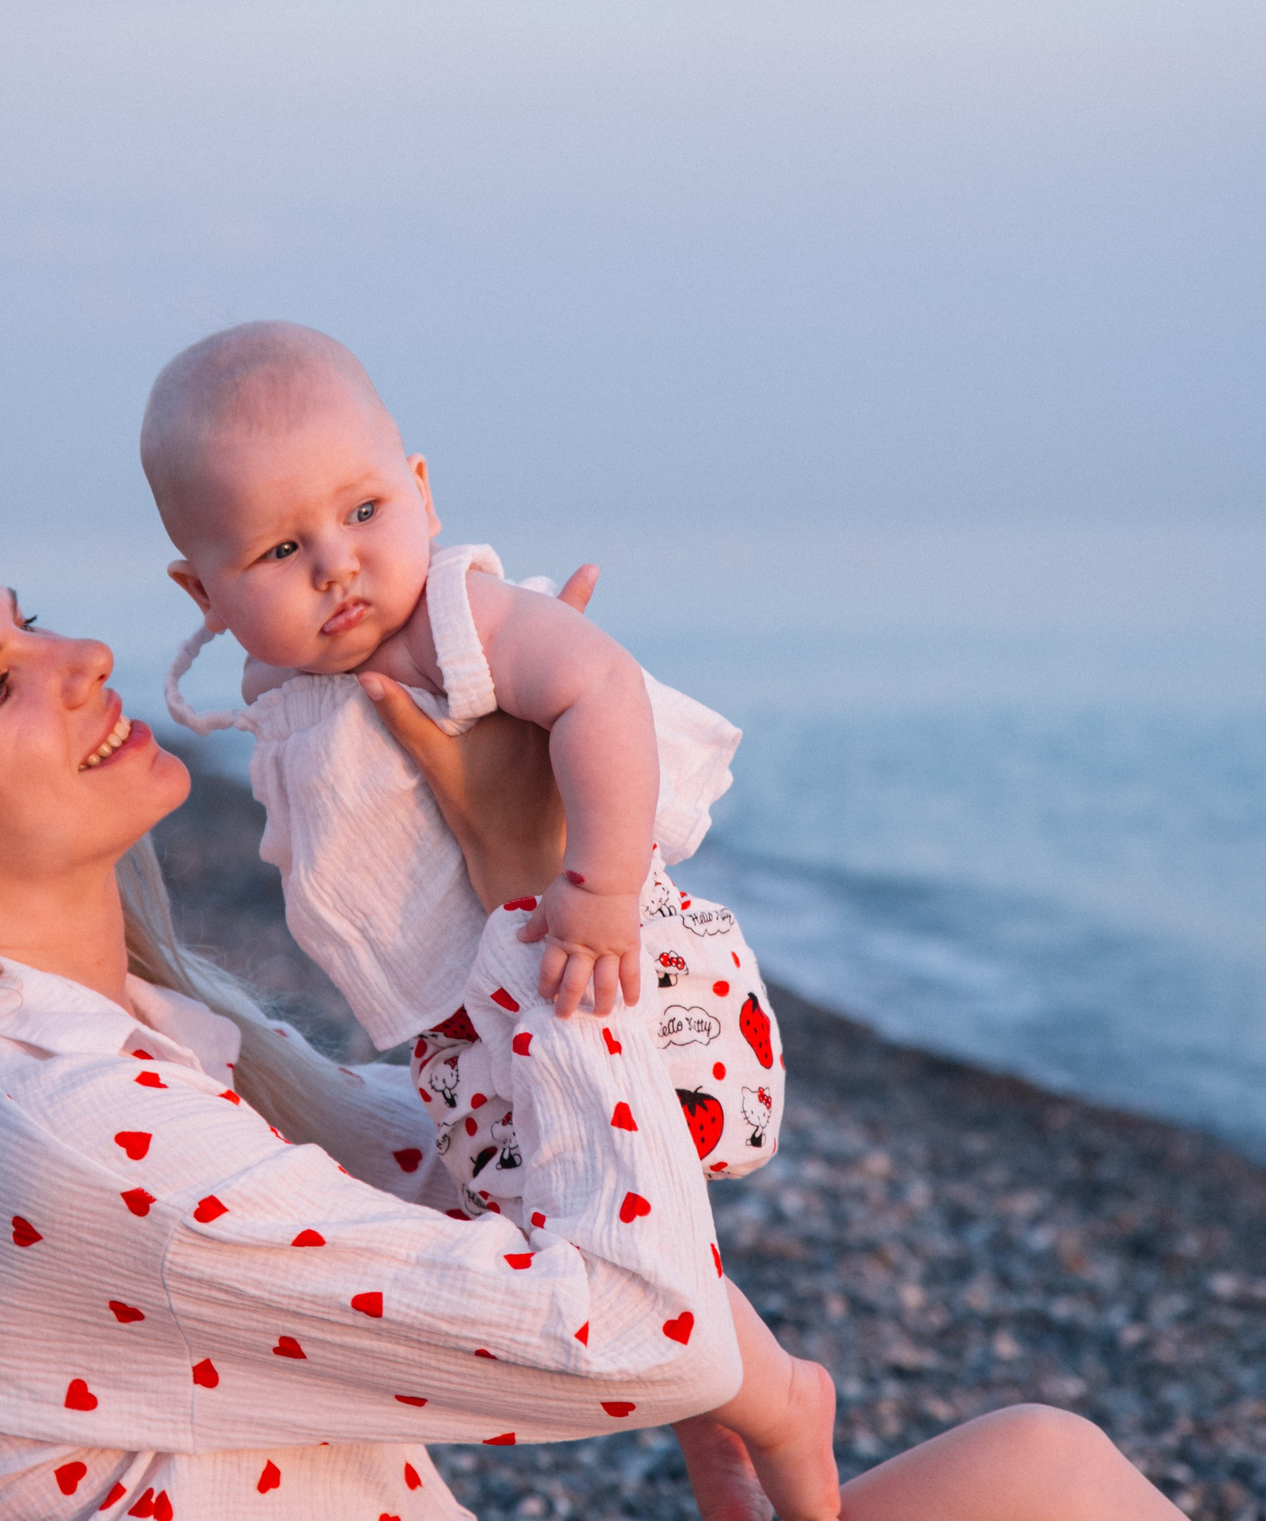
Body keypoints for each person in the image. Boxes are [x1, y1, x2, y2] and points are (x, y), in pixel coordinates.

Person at [0, 535, 1185, 1521]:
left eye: (34, 616)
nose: (80, 658)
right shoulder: (42, 1122)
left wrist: (565, 860)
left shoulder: (121, 1036)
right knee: (1040, 1474)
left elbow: (562, 1165)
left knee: (1037, 1473)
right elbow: (638, 1318)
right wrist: (520, 874)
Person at [143, 323, 828, 1512]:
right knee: (574, 1215)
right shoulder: (285, 682)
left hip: (609, 972)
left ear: (419, 491)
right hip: (485, 1026)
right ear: (201, 590)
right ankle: (728, 1410)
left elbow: (598, 692)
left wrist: (600, 890)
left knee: (612, 1206)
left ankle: (776, 1409)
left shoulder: (462, 621)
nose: (336, 567)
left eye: (362, 512)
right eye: (277, 548)